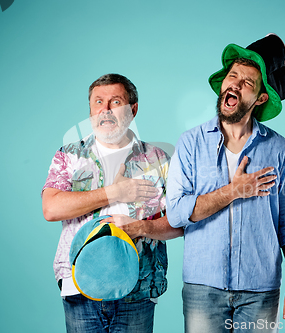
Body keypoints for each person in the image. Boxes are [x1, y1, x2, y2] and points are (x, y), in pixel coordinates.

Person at [166, 34, 285, 333]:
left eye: (248, 83)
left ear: (260, 98)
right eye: (232, 77)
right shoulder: (190, 143)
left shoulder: (279, 148)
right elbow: (176, 214)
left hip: (260, 289)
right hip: (203, 287)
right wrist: (234, 191)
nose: (235, 85)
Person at [42, 73, 183, 333]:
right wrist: (114, 193)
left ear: (133, 109)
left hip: (138, 288)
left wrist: (140, 228)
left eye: (115, 102)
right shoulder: (70, 155)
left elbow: (179, 223)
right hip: (79, 288)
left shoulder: (158, 160)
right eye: (98, 102)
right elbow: (51, 208)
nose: (105, 110)